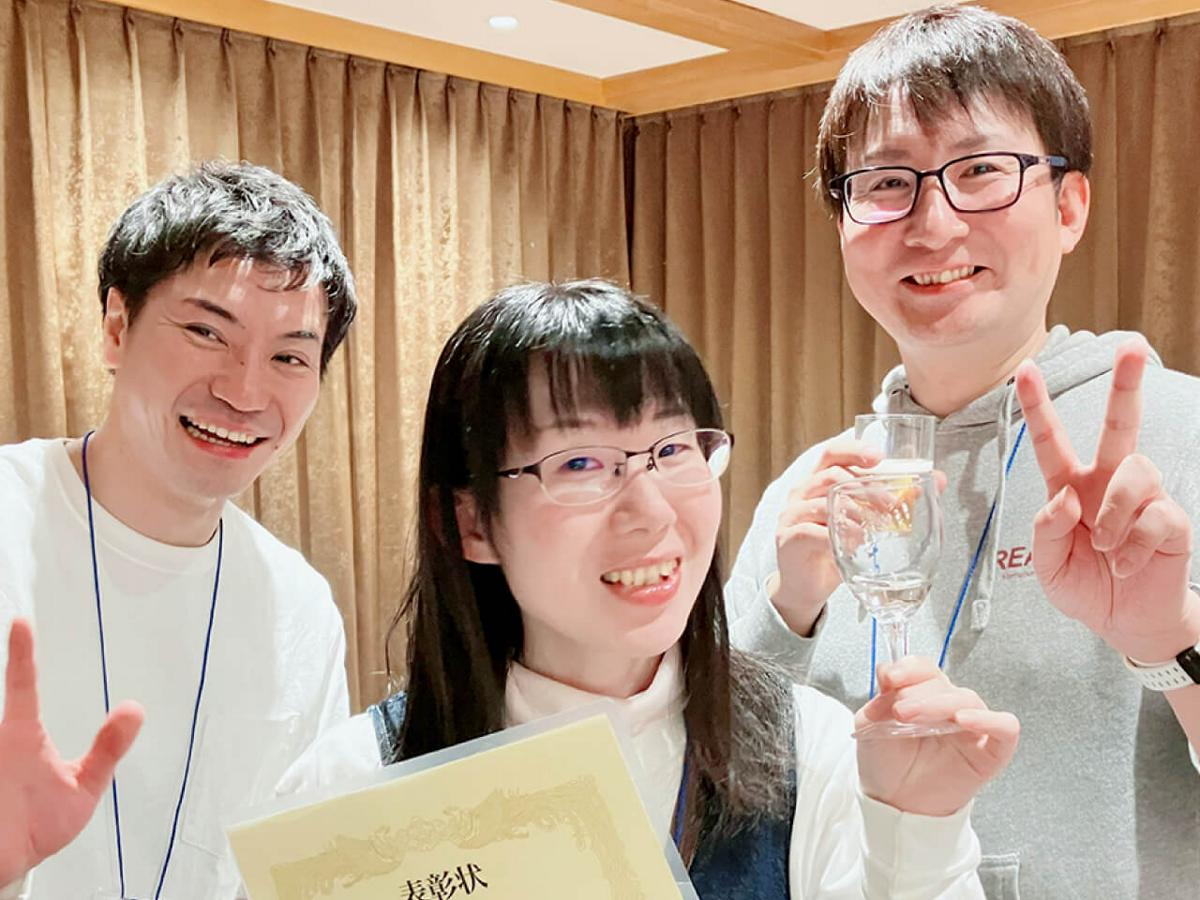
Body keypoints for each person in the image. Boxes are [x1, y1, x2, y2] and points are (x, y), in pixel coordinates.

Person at [278, 279, 1020, 898]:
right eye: (579, 463)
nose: (652, 510)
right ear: (470, 522)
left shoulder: (813, 750)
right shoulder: (352, 786)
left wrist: (918, 833)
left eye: (672, 449)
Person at [725, 6, 1200, 898]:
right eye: (886, 182)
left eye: (980, 170)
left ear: (1069, 206)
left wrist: (1168, 639)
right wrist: (784, 613)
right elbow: (718, 794)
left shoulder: (1185, 440)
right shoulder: (812, 492)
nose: (933, 224)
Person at [0, 160, 358, 899]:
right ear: (116, 327)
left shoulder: (298, 609)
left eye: (289, 356)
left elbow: (304, 873)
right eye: (206, 331)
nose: (245, 391)